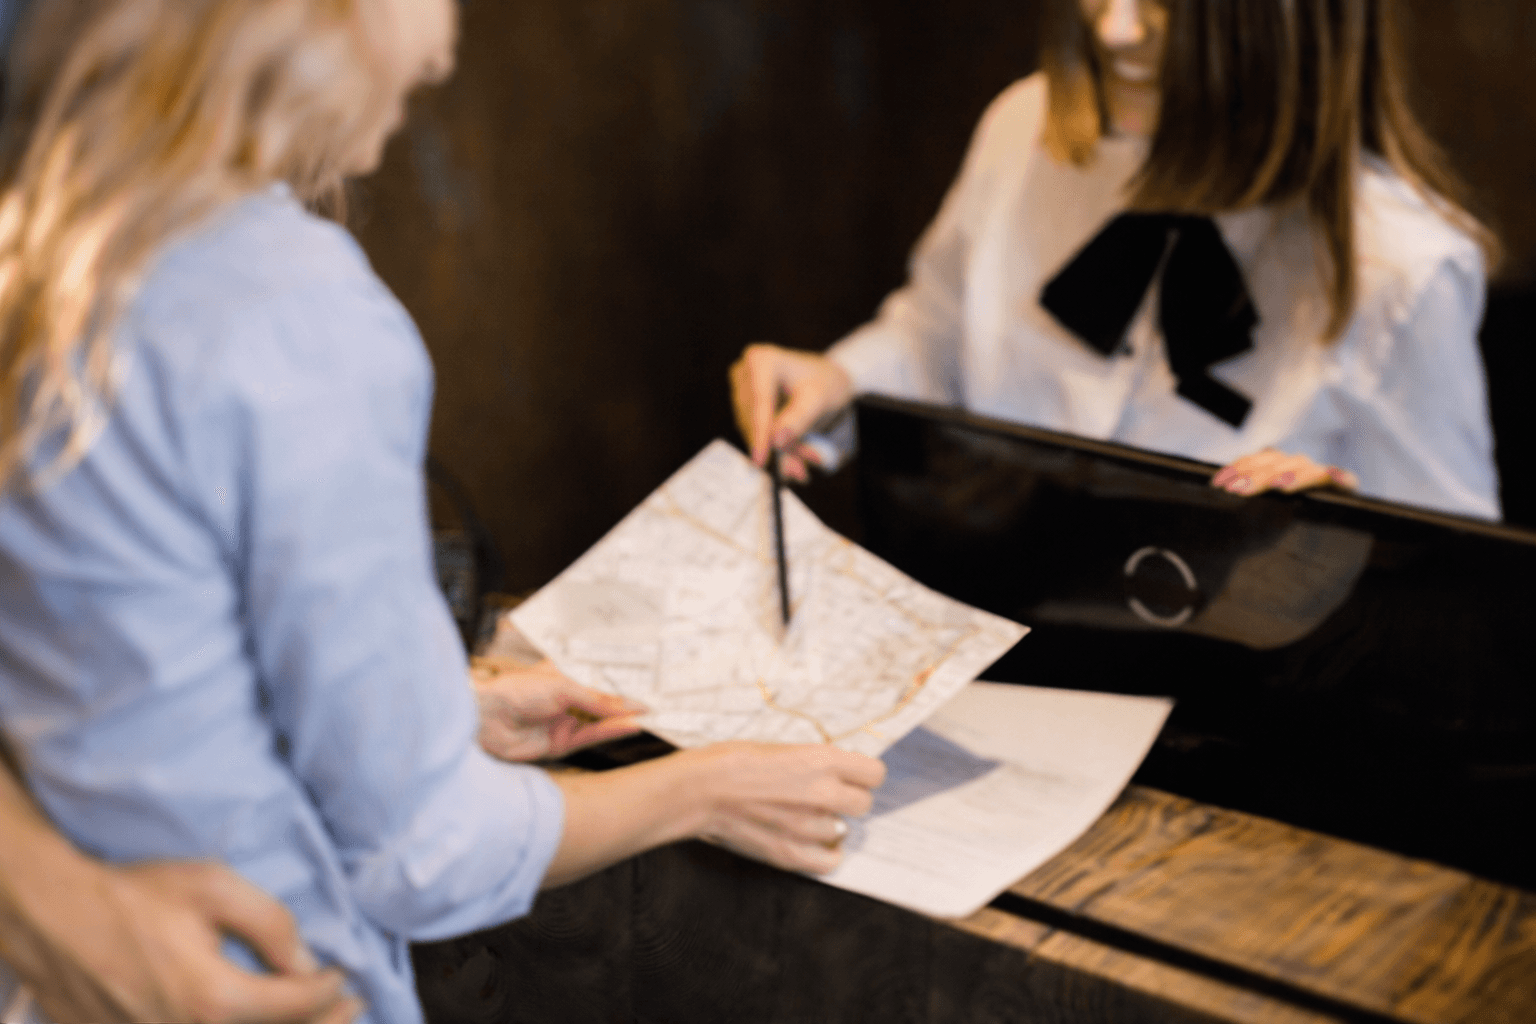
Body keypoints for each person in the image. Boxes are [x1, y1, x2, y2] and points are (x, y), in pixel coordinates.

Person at [0, 3, 885, 1024]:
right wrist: (705, 790)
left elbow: (155, 658)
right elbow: (424, 856)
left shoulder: (53, 242)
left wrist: (434, 714)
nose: (448, 43)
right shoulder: (295, 309)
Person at [730, 0, 1500, 520]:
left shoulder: (1403, 267)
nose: (1117, 29)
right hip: (1001, 633)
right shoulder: (1021, 128)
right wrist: (841, 381)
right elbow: (937, 331)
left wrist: (1344, 528)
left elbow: (1452, 587)